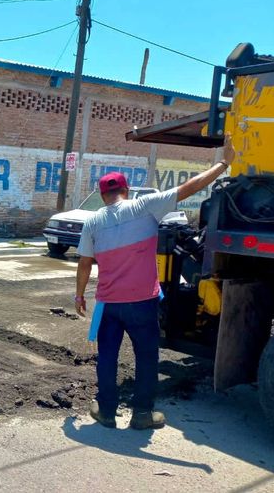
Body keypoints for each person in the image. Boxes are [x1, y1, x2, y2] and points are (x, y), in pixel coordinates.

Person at [75, 135, 236, 430]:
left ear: (103, 194)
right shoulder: (144, 206)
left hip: (109, 303)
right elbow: (191, 187)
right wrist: (224, 163)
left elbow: (84, 263)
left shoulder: (93, 222)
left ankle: (107, 411)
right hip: (142, 303)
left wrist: (78, 296)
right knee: (146, 356)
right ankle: (142, 414)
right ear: (126, 190)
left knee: (107, 356)